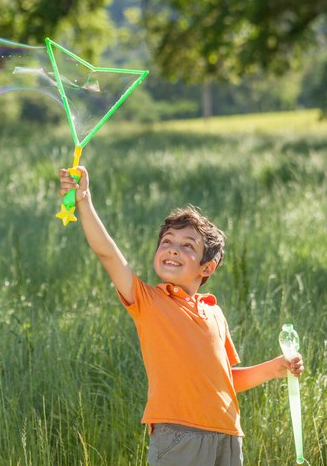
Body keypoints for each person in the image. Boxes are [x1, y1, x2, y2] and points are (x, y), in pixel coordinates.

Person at [58, 166, 304, 466]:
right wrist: (83, 200)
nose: (173, 250)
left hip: (228, 434)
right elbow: (108, 253)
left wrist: (276, 368)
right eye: (167, 242)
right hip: (178, 434)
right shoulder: (148, 300)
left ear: (207, 268)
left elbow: (225, 381)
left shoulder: (213, 311)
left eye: (187, 246)